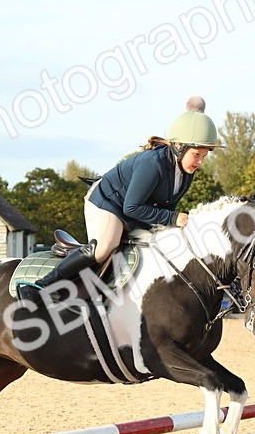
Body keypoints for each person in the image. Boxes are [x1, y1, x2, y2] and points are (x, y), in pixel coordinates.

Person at [20, 96, 222, 297]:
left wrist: (172, 223)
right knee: (103, 248)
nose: (200, 162)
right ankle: (40, 286)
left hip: (132, 211)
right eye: (197, 154)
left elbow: (164, 208)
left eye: (204, 156)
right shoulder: (153, 164)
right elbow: (131, 207)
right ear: (179, 147)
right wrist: (172, 218)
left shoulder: (186, 172)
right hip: (107, 203)